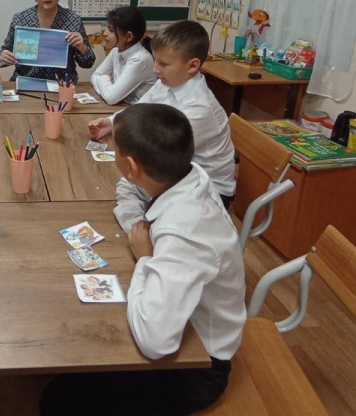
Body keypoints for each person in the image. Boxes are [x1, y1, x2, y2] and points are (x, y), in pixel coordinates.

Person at [41, 103, 246, 416]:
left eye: (115, 150)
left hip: (196, 368)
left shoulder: (185, 235)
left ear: (131, 165)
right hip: (181, 316)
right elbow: (129, 188)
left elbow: (155, 341)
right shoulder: (183, 172)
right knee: (70, 374)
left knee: (58, 401)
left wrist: (145, 257)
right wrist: (136, 227)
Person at [87, 20, 236, 207]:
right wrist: (111, 122)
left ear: (192, 66)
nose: (155, 69)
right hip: (175, 174)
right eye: (155, 60)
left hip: (207, 192)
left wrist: (122, 135)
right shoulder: (167, 82)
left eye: (163, 64)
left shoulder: (199, 108)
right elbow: (141, 107)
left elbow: (159, 152)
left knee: (115, 191)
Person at [0, 0, 95, 82]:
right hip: (26, 81)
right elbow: (2, 55)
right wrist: (3, 56)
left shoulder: (73, 20)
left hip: (61, 84)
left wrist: (82, 47)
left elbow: (88, 63)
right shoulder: (20, 19)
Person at [90, 6, 157, 105]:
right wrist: (107, 89)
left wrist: (104, 77)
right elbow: (95, 75)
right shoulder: (116, 50)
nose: (105, 33)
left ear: (128, 36)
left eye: (111, 31)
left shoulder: (140, 59)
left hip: (140, 111)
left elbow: (111, 98)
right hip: (123, 106)